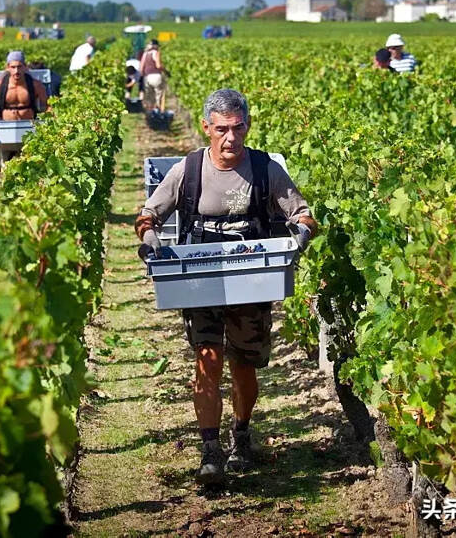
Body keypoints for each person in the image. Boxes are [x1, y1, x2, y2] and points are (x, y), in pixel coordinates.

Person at [134, 89, 318, 487]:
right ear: (207, 128)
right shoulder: (189, 170)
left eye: (237, 129)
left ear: (247, 126)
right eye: (221, 130)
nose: (231, 138)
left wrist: (301, 233)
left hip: (252, 279)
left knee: (244, 366)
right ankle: (210, 450)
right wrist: (149, 239)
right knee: (208, 358)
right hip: (199, 280)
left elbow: (302, 212)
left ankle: (242, 433)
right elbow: (149, 214)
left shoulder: (266, 169)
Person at [0, 51, 49, 125]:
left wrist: (48, 122)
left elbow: (48, 105)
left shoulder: (36, 85)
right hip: (6, 126)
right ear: (8, 68)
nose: (16, 71)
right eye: (13, 67)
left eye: (19, 67)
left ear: (25, 67)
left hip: (30, 127)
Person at [140, 39, 166, 111]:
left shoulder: (145, 54)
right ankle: (158, 112)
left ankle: (150, 113)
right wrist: (165, 70)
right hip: (156, 76)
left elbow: (141, 67)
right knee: (158, 94)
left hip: (147, 77)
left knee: (149, 96)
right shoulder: (156, 53)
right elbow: (158, 65)